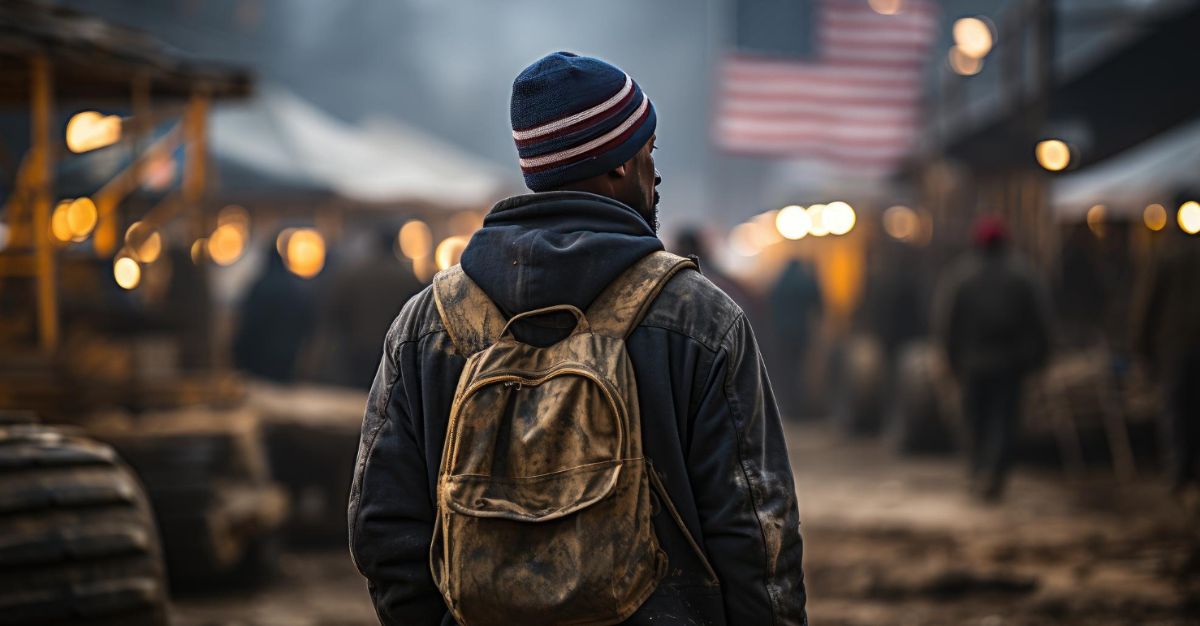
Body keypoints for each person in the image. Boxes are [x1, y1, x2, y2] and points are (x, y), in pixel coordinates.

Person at [348, 52, 806, 625]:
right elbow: (757, 531)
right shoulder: (701, 319)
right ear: (616, 165)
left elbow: (380, 523)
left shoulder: (427, 325)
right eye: (649, 150)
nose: (654, 172)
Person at [934, 215, 1051, 500]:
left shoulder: (961, 276)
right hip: (1010, 364)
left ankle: (977, 470)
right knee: (1004, 422)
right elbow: (1040, 321)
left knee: (975, 420)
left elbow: (947, 322)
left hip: (972, 364)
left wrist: (949, 359)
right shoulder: (1024, 275)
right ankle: (994, 473)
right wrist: (1039, 359)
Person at [1132, 204, 1200, 494]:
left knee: (1176, 409)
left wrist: (1142, 347)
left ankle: (1180, 471)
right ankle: (1183, 470)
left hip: (1174, 346)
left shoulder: (1166, 254)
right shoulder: (1167, 256)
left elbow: (1147, 305)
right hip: (1176, 345)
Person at [321, 230, 424, 388]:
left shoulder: (354, 274)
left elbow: (335, 311)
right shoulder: (407, 278)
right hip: (394, 351)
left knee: (358, 397)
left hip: (357, 349)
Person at [233, 239, 316, 383]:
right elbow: (307, 320)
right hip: (288, 355)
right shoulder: (294, 286)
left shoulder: (260, 285)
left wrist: (239, 352)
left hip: (260, 357)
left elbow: (250, 322)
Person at [768, 259, 823, 419]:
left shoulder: (780, 282)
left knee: (785, 370)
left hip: (782, 335)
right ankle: (798, 407)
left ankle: (786, 405)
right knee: (799, 369)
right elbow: (818, 302)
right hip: (801, 333)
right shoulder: (804, 281)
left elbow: (771, 305)